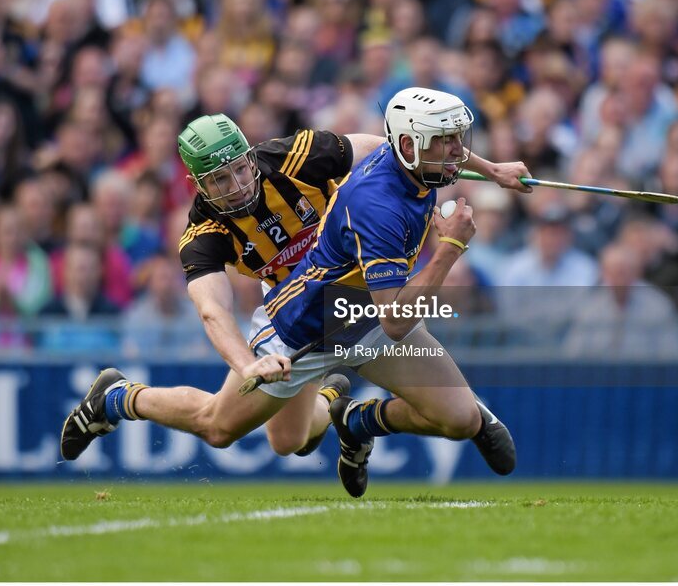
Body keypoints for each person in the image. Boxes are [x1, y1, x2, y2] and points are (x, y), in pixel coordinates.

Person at [59, 109, 528, 463]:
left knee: (461, 419)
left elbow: (396, 146)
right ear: (196, 185)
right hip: (296, 322)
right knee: (258, 436)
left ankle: (357, 420)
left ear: (249, 154)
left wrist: (491, 169)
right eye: (219, 179)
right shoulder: (201, 237)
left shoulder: (295, 154)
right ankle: (117, 398)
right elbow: (212, 311)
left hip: (365, 302)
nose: (238, 184)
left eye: (240, 168)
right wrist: (249, 366)